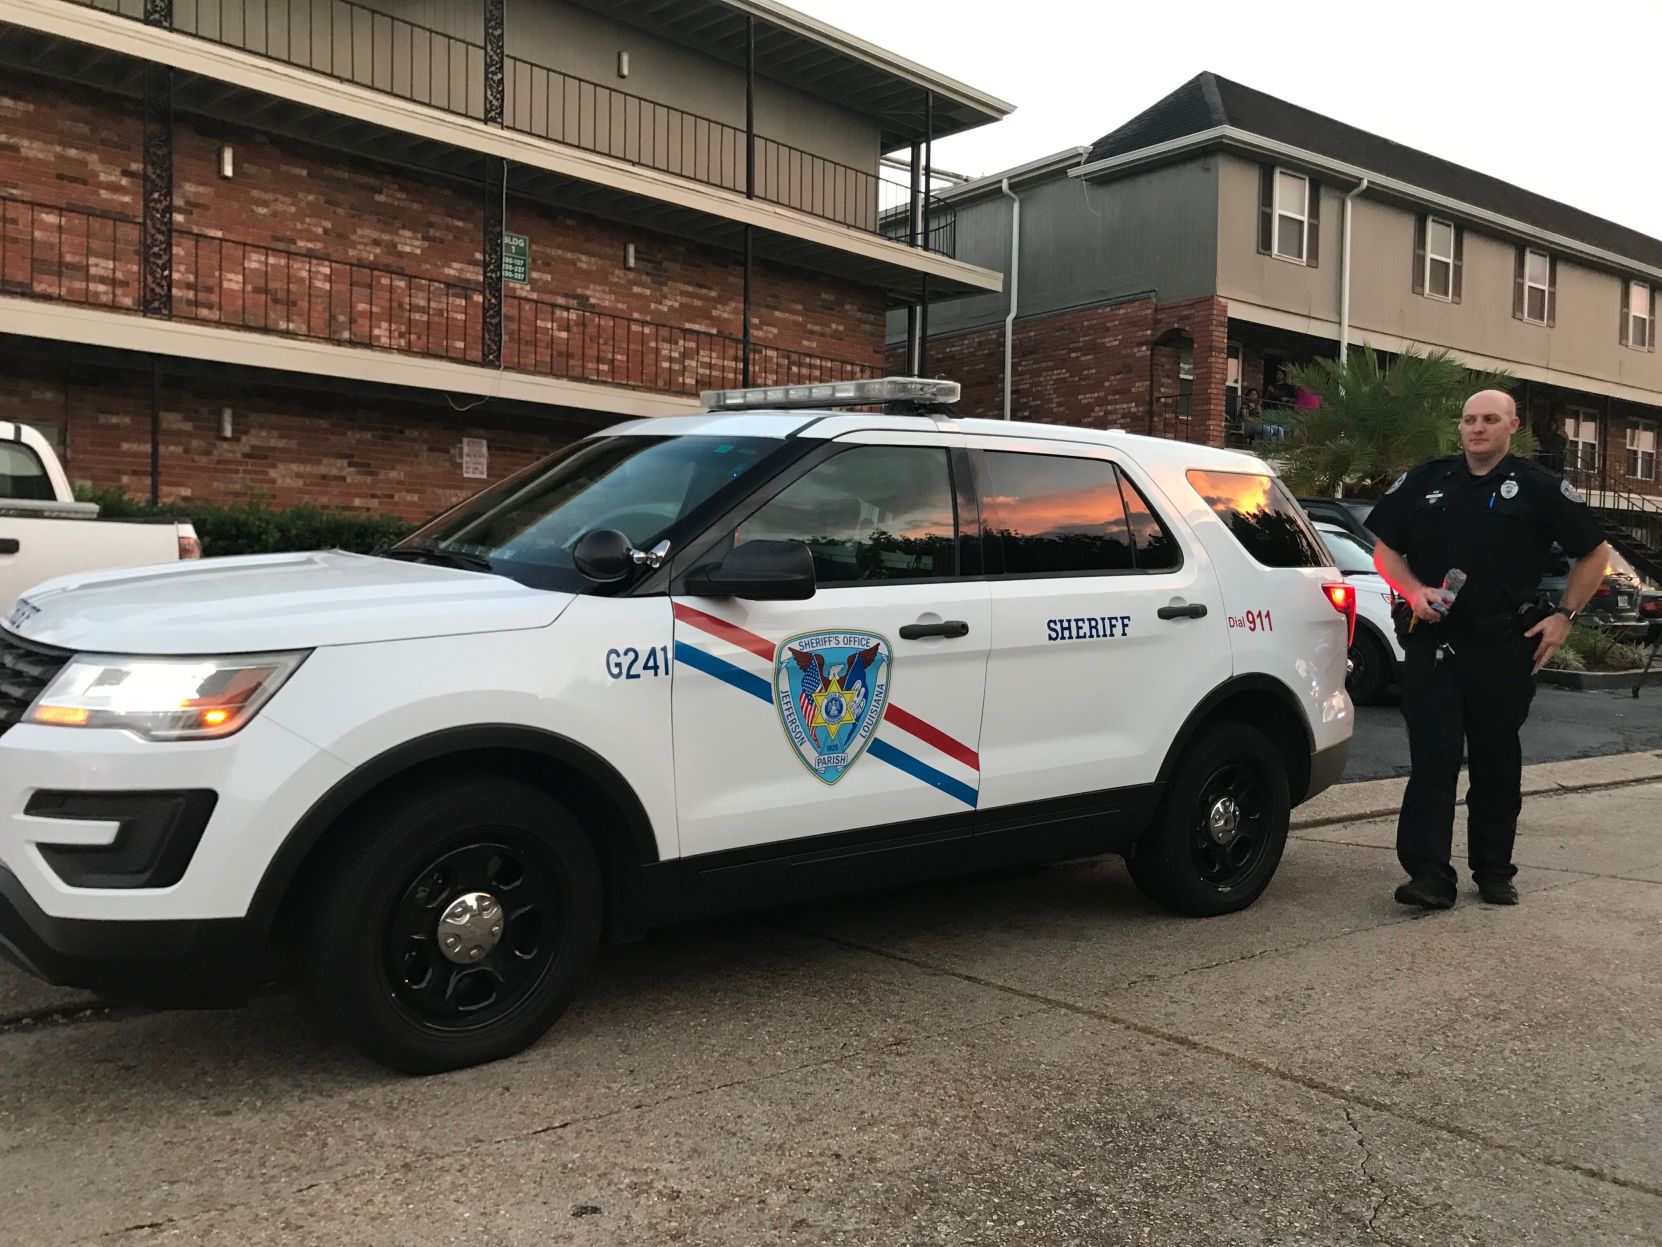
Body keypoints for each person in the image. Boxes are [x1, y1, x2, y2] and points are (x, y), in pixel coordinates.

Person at [1364, 390, 1610, 909]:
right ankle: (1429, 876)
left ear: (1511, 426)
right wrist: (1413, 591)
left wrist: (1563, 617)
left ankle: (1494, 869)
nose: (1477, 428)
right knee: (1433, 759)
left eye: (1490, 420)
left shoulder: (1538, 488)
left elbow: (1595, 553)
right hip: (1433, 643)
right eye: (1470, 420)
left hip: (1502, 645)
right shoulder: (1427, 480)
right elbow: (1385, 549)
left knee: (1497, 761)